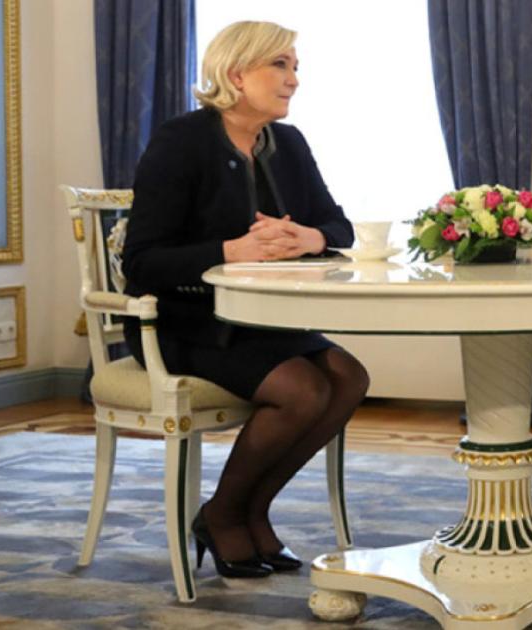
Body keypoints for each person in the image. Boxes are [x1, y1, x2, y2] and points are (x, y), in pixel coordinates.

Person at [122, 21, 369, 579]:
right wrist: (230, 251)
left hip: (263, 320)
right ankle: (225, 516)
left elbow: (339, 226)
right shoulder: (181, 141)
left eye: (295, 66)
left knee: (349, 378)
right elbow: (140, 262)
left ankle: (249, 511)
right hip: (183, 322)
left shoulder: (289, 143)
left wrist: (310, 237)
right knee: (303, 390)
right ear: (236, 74)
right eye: (280, 65)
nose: (294, 79)